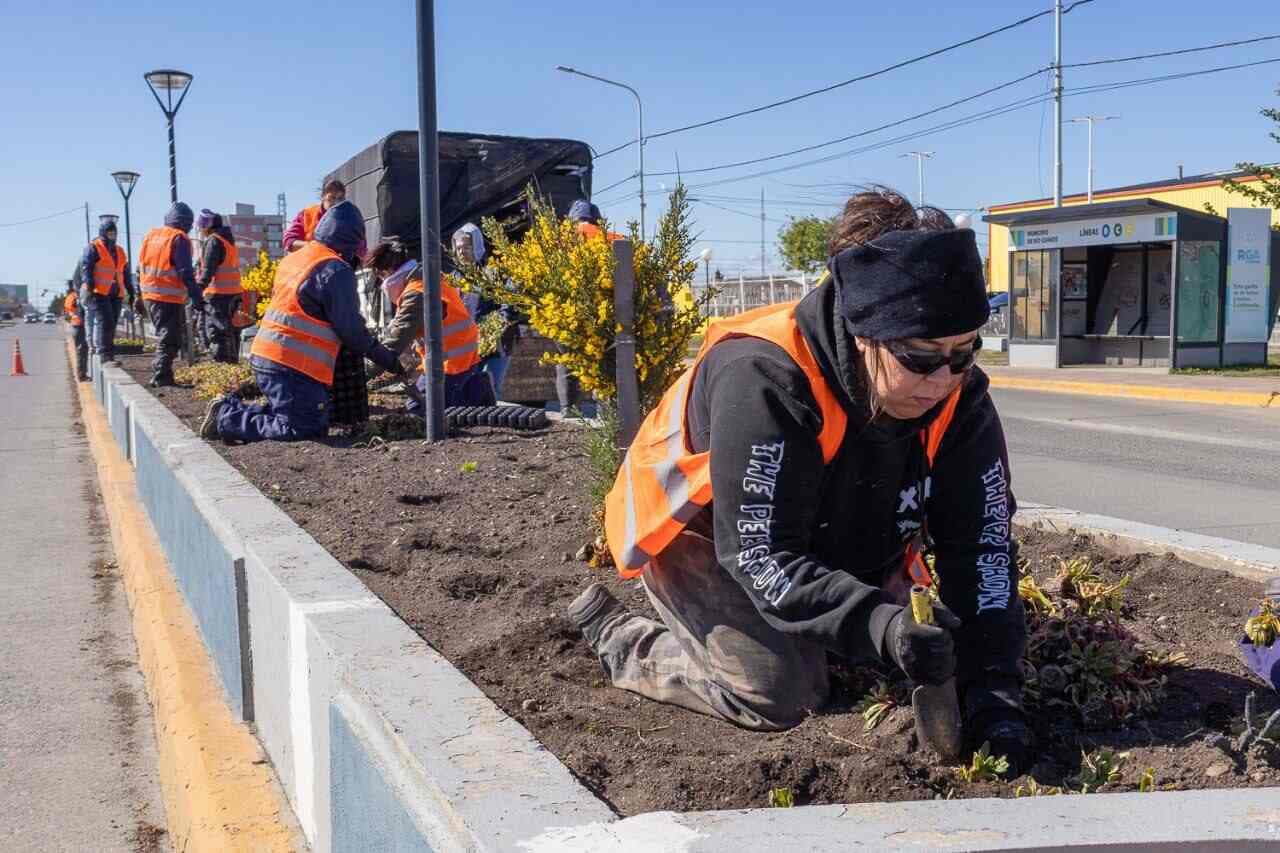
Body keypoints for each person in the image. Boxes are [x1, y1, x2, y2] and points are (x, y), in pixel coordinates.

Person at [569, 188, 1031, 776]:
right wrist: (880, 624)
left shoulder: (959, 396)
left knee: (919, 648)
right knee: (781, 694)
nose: (944, 378)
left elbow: (983, 548)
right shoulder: (764, 379)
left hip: (831, 526)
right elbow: (761, 554)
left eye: (964, 353)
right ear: (865, 332)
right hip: (708, 535)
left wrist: (994, 692)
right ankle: (628, 641)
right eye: (921, 357)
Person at [199, 201, 401, 443]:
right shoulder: (335, 270)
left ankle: (228, 410)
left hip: (268, 356)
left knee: (301, 416)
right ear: (351, 242)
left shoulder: (295, 259)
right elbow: (352, 332)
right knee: (304, 428)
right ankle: (226, 418)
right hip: (292, 366)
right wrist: (388, 360)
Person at [365, 238, 495, 410]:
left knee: (421, 411)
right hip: (462, 355)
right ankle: (476, 388)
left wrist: (362, 373)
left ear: (388, 271)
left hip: (449, 363)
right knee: (451, 405)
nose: (382, 284)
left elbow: (395, 342)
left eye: (381, 277)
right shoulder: (427, 278)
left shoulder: (415, 293)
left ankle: (478, 391)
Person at [138, 203, 206, 387]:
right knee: (169, 337)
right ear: (185, 223)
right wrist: (197, 297)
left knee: (165, 335)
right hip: (167, 297)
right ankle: (161, 375)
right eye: (190, 224)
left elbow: (140, 266)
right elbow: (185, 271)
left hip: (149, 294)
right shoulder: (179, 238)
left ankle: (162, 373)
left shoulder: (151, 236)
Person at [451, 223, 516, 398]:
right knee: (469, 388)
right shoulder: (455, 277)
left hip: (496, 343)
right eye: (459, 248)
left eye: (467, 247)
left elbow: (508, 301)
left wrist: (497, 327)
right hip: (466, 346)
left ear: (478, 246)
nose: (462, 252)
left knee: (492, 388)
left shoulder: (494, 273)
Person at [80, 219, 135, 366]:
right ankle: (105, 356)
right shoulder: (93, 248)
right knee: (106, 322)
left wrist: (132, 292)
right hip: (98, 293)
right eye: (109, 233)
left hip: (115, 294)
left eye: (114, 233)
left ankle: (110, 355)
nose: (112, 235)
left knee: (112, 324)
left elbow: (125, 273)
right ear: (102, 233)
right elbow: (86, 268)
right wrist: (90, 287)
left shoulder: (120, 251)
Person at [194, 210, 243, 363]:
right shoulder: (228, 240)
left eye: (200, 227)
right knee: (230, 331)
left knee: (217, 332)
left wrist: (197, 290)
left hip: (218, 294)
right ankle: (232, 365)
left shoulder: (213, 241)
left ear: (205, 226)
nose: (200, 231)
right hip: (232, 292)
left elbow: (208, 270)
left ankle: (221, 366)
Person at [282, 179, 366, 259]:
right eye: (332, 198)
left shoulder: (351, 218)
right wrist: (316, 247)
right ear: (323, 197)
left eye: (340, 198)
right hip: (310, 268)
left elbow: (361, 249)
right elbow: (289, 242)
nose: (336, 202)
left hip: (341, 268)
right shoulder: (307, 214)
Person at [64, 280, 88, 380]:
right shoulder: (76, 297)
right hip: (79, 325)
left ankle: (81, 374)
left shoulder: (69, 297)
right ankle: (81, 375)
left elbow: (67, 313)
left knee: (81, 350)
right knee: (82, 350)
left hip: (74, 325)